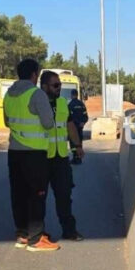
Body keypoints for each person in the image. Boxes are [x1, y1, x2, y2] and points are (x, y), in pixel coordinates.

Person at [4, 59, 60, 252]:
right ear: (35, 75)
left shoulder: (9, 94)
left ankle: (22, 235)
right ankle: (36, 240)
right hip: (34, 153)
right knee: (37, 195)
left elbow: (7, 122)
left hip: (14, 151)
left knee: (18, 194)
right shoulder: (36, 94)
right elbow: (47, 123)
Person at [40, 70, 85, 242]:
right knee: (39, 198)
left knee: (65, 196)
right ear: (45, 86)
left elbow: (70, 125)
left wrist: (77, 145)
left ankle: (69, 231)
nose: (59, 88)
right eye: (56, 85)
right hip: (42, 157)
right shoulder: (37, 103)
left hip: (60, 158)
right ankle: (39, 233)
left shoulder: (62, 103)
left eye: (60, 85)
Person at [67, 90, 88, 165]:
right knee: (79, 142)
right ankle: (79, 158)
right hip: (80, 127)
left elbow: (68, 118)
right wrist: (83, 122)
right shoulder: (82, 104)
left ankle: (75, 157)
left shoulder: (70, 105)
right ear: (77, 94)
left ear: (72, 95)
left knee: (73, 142)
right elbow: (85, 116)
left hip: (73, 127)